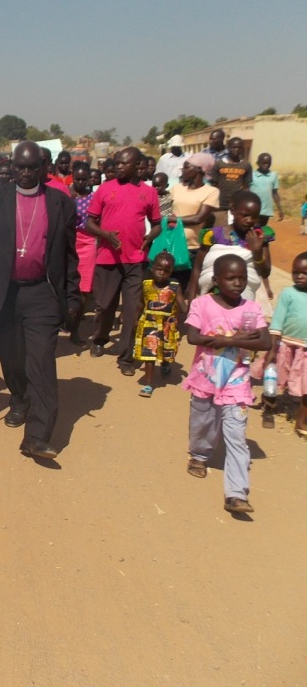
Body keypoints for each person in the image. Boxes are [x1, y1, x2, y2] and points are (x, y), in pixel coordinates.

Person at [0, 141, 79, 459]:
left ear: (44, 168)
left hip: (42, 292)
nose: (26, 172)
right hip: (5, 291)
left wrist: (73, 297)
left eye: (33, 167)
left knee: (42, 361)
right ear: (12, 166)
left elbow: (69, 256)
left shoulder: (61, 203)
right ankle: (18, 398)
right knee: (12, 357)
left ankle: (36, 435)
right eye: (21, 167)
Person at [182, 254, 267, 514]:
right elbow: (192, 336)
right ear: (216, 280)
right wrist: (239, 338)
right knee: (202, 424)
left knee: (237, 438)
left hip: (237, 383)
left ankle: (236, 493)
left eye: (242, 278)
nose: (237, 283)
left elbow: (264, 343)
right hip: (205, 379)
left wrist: (229, 341)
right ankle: (199, 454)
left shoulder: (251, 309)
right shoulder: (202, 304)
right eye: (231, 278)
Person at [85, 146, 161, 375]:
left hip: (135, 260)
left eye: (122, 163)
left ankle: (126, 358)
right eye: (116, 163)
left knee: (131, 312)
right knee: (105, 305)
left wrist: (150, 237)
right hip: (108, 259)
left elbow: (157, 223)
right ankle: (99, 339)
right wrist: (106, 235)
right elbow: (90, 222)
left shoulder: (149, 193)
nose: (117, 167)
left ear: (137, 165)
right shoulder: (104, 189)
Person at [189, 190, 273, 303]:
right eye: (245, 215)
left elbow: (265, 273)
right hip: (212, 300)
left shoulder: (260, 237)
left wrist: (257, 253)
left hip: (243, 302)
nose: (249, 220)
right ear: (232, 210)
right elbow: (197, 269)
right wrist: (191, 303)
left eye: (254, 217)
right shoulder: (213, 235)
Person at [260, 252, 307, 434]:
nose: (299, 276)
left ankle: (301, 422)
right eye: (296, 272)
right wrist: (272, 349)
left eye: (305, 273)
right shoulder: (288, 294)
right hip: (285, 346)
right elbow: (277, 322)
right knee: (274, 380)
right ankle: (268, 407)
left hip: (305, 350)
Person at [134, 252, 187, 397]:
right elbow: (140, 303)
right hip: (148, 324)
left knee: (165, 350)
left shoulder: (175, 286)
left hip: (167, 326)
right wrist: (135, 319)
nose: (162, 273)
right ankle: (148, 384)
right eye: (159, 269)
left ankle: (164, 363)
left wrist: (189, 309)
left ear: (171, 272)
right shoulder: (146, 285)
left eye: (166, 271)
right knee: (149, 354)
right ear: (152, 268)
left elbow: (182, 304)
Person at [168, 152, 220, 290]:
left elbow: (199, 218)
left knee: (185, 288)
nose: (182, 170)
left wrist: (173, 218)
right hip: (171, 245)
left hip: (191, 248)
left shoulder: (211, 192)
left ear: (198, 169)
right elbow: (165, 209)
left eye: (186, 167)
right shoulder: (176, 189)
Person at [70, 161, 97, 344]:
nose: (80, 182)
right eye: (77, 179)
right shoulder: (66, 196)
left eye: (83, 179)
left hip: (88, 243)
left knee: (83, 291)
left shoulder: (95, 198)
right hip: (69, 242)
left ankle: (75, 329)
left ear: (89, 179)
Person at [210, 137, 252, 216]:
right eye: (234, 147)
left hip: (237, 203)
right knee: (220, 226)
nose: (236, 150)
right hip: (221, 203)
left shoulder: (246, 165)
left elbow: (246, 187)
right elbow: (213, 186)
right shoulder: (219, 164)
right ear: (228, 148)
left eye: (239, 147)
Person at [250, 153, 283, 226]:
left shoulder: (273, 175)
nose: (266, 165)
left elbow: (275, 193)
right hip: (253, 210)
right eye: (264, 163)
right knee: (253, 229)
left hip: (266, 211)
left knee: (262, 231)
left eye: (269, 163)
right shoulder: (251, 175)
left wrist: (280, 209)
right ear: (257, 163)